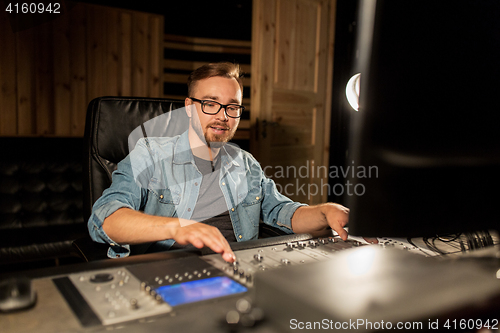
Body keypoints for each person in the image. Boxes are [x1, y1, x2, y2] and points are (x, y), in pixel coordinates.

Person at [88, 62, 349, 263]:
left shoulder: (246, 164)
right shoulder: (150, 153)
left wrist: (324, 212)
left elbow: (283, 213)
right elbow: (104, 220)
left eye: (232, 107)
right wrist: (176, 227)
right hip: (165, 271)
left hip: (236, 269)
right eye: (211, 104)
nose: (223, 116)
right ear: (189, 107)